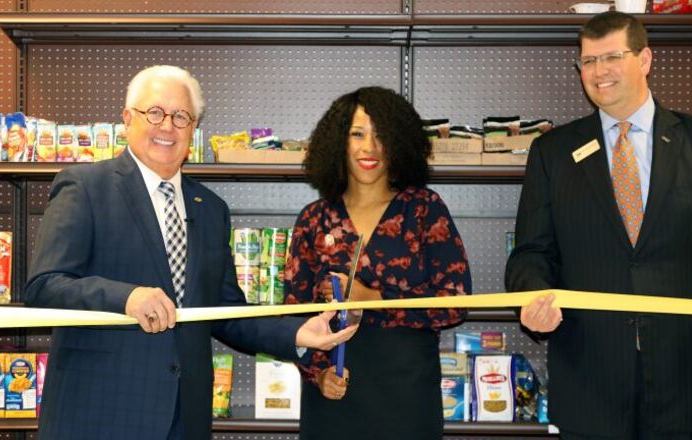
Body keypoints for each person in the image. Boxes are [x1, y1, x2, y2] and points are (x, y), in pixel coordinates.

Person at [25, 65, 357, 440]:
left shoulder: (210, 208)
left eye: (181, 116)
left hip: (186, 418)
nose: (167, 126)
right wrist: (127, 298)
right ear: (127, 119)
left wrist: (298, 332)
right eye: (154, 113)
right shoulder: (85, 186)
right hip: (100, 414)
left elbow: (226, 311)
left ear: (194, 127)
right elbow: (45, 286)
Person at [506, 11, 692, 439]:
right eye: (588, 61)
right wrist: (532, 297)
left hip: (687, 378)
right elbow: (531, 252)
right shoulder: (552, 152)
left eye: (611, 57)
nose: (599, 72)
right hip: (589, 380)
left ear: (646, 59)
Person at [284, 86, 472, 440]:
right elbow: (292, 315)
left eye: (380, 135)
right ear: (338, 141)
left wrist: (371, 297)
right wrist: (318, 374)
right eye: (357, 134)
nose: (369, 147)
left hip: (407, 396)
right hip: (333, 397)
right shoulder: (314, 219)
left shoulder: (423, 209)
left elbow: (456, 302)